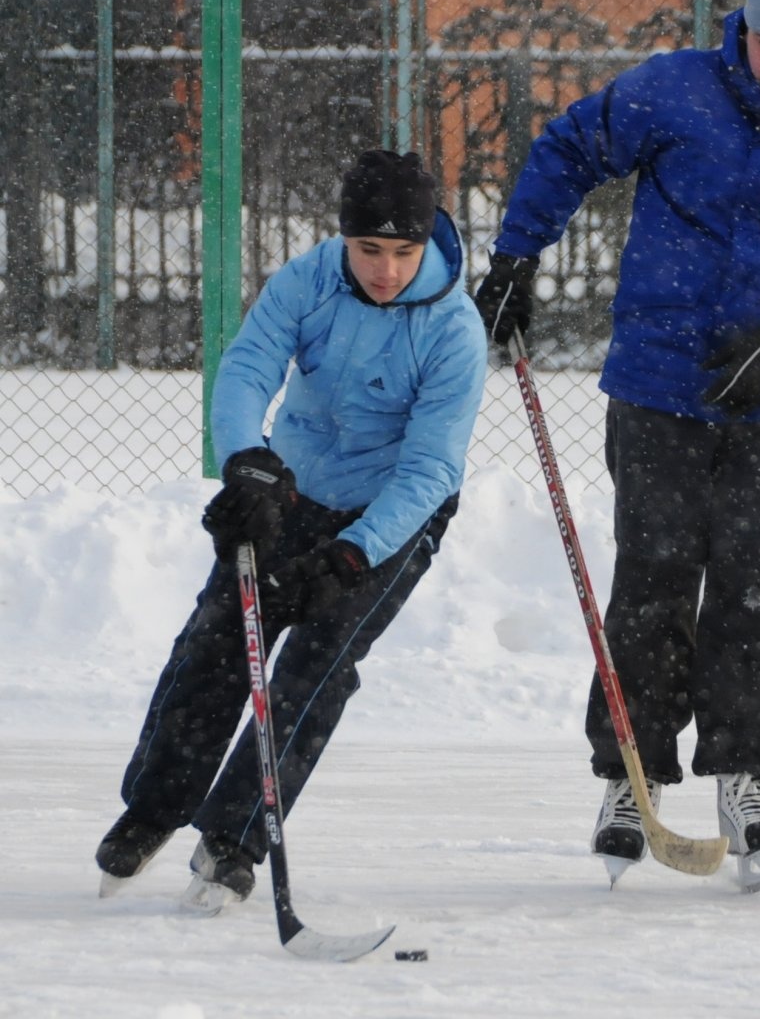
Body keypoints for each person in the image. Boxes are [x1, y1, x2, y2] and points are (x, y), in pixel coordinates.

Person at [473, 0, 760, 890]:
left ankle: (744, 774)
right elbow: (567, 148)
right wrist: (516, 256)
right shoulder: (674, 90)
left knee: (751, 578)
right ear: (740, 28)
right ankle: (631, 774)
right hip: (658, 384)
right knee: (654, 571)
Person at [95, 149, 487, 902]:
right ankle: (153, 809)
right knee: (215, 640)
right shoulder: (307, 282)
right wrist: (247, 463)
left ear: (427, 241)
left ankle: (232, 837)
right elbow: (247, 369)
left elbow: (431, 469)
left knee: (314, 667)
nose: (386, 270)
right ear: (342, 238)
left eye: (403, 252)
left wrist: (351, 556)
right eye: (369, 250)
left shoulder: (452, 330)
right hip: (295, 488)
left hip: (388, 516)